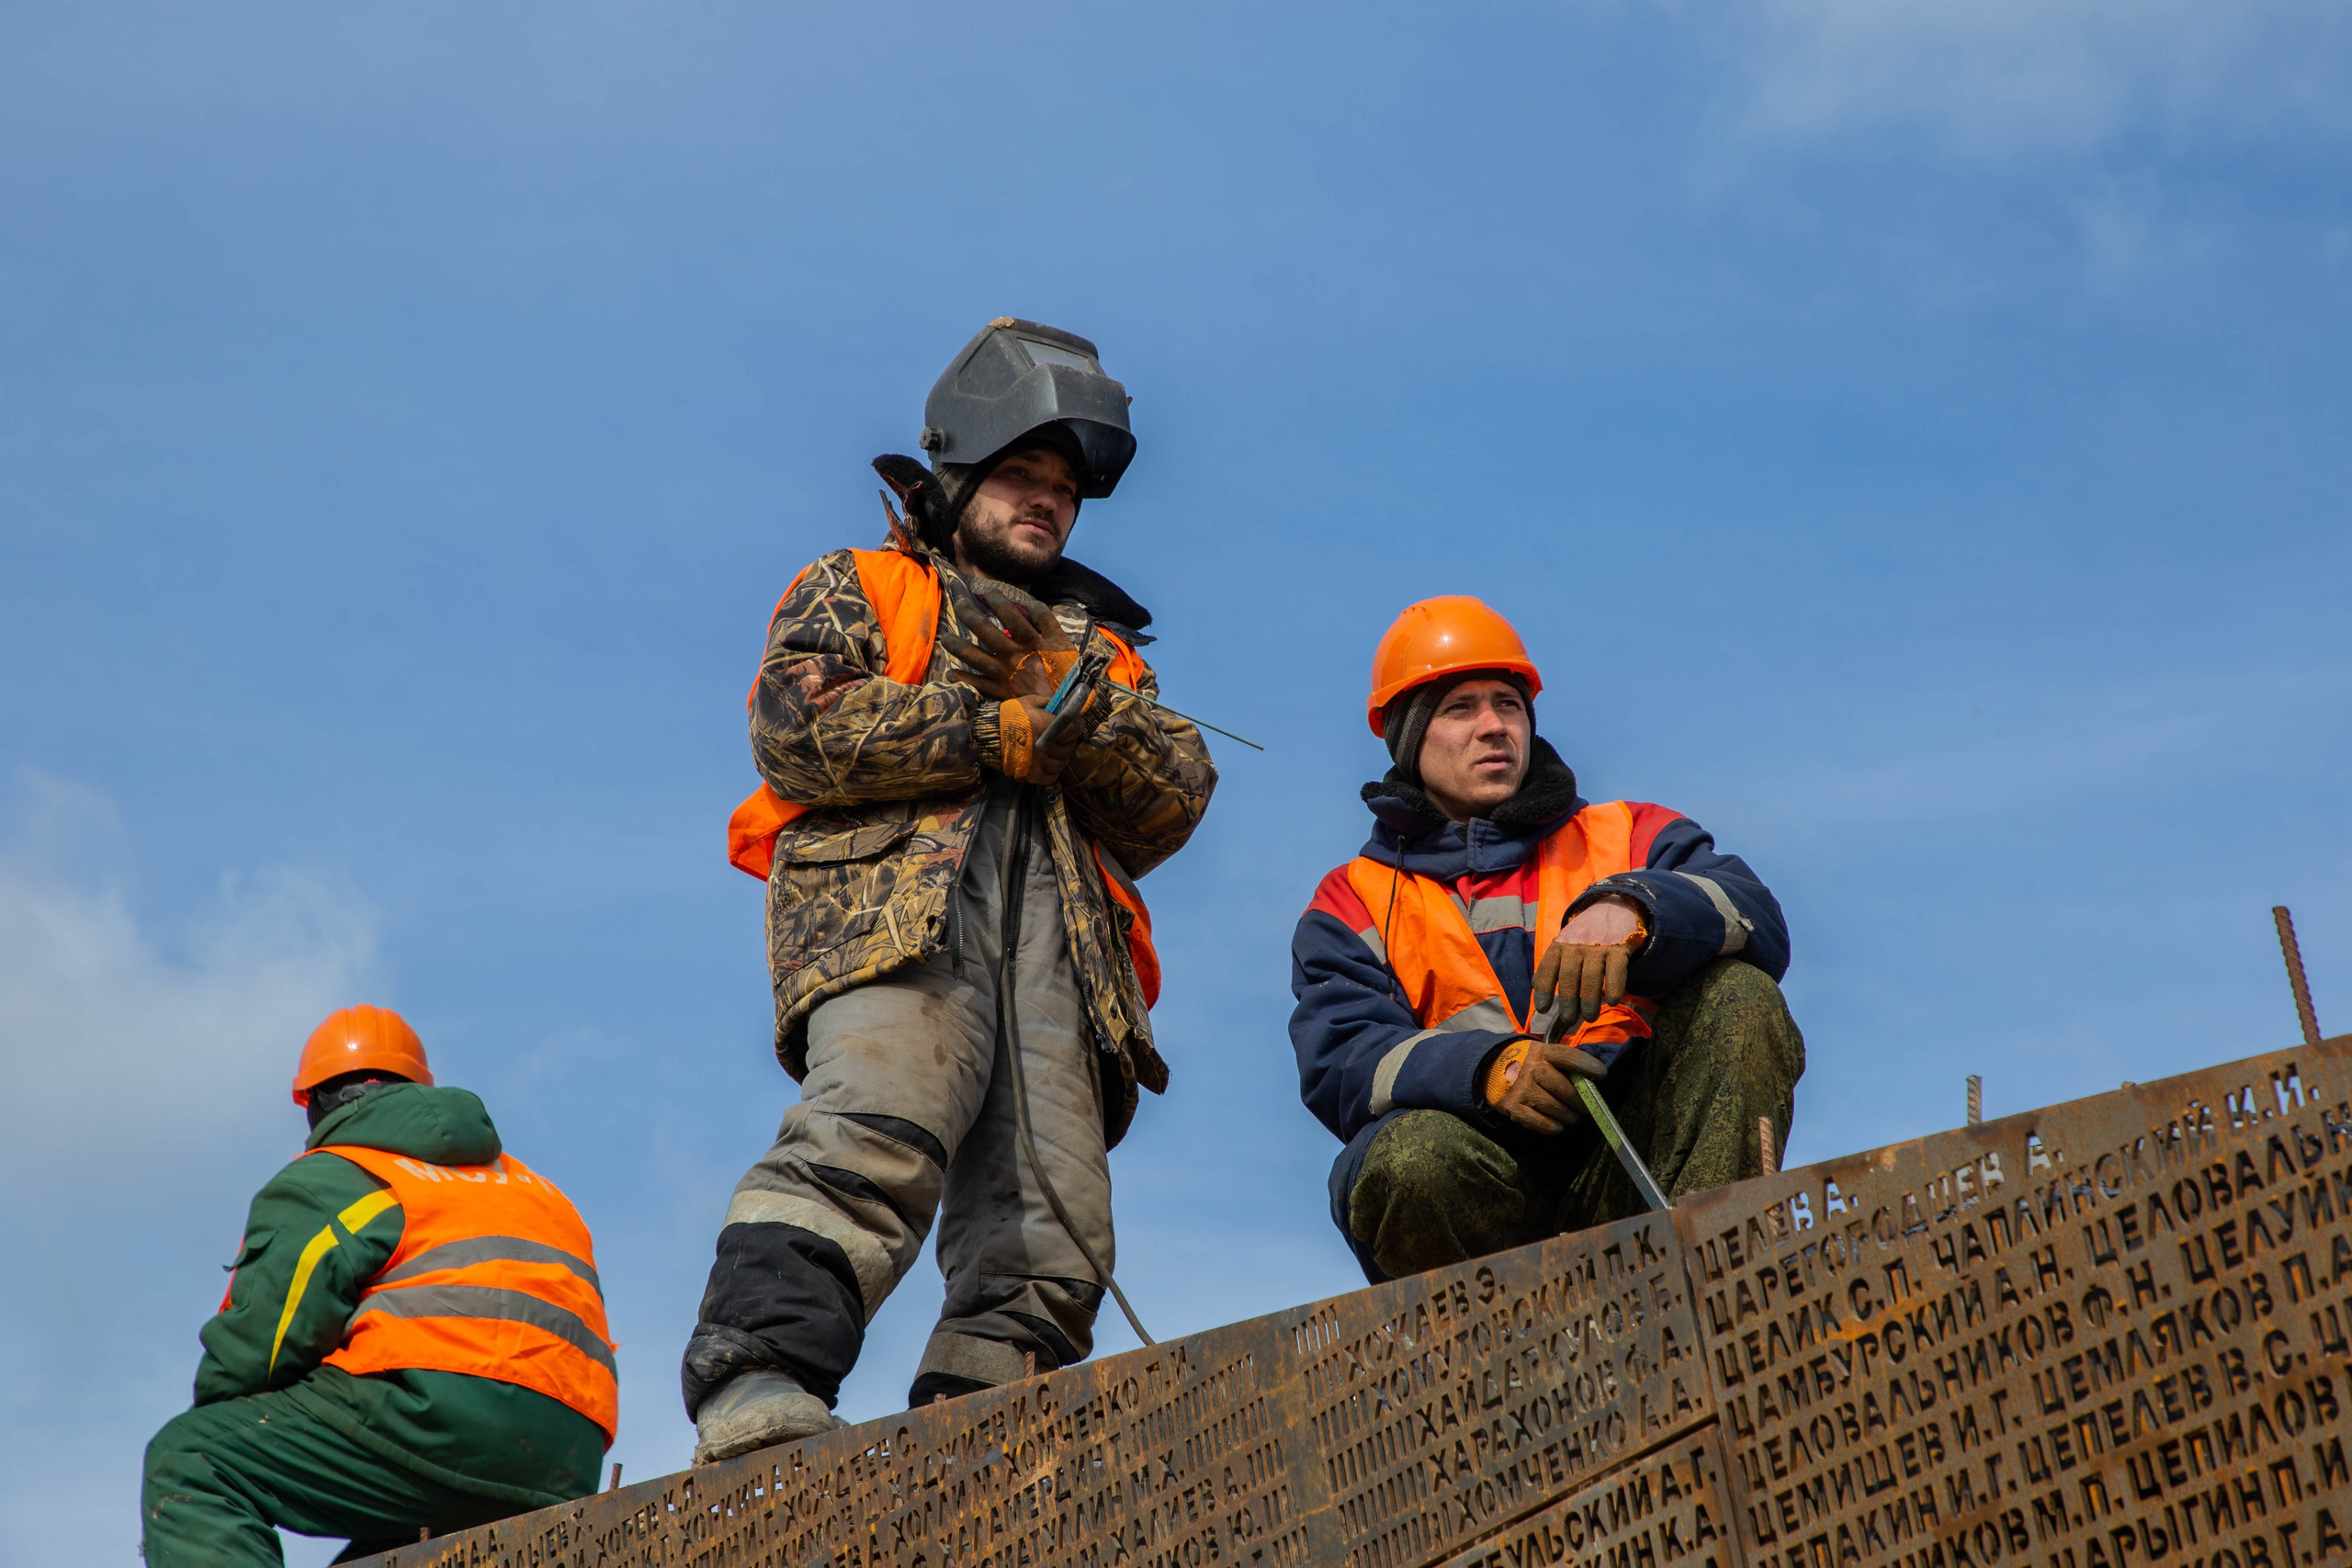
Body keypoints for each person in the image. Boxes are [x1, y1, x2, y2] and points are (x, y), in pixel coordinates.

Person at [685, 318, 1217, 1461]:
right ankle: (757, 1390)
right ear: (960, 473)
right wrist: (991, 729)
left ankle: (978, 1450)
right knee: (868, 1137)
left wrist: (1069, 711)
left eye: (1064, 489)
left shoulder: (1103, 655)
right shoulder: (864, 583)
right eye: (1023, 477)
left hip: (1061, 966)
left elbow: (1174, 799)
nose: (1046, 503)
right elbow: (799, 728)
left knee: (1053, 1225)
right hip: (896, 927)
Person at [1291, 597, 1804, 1283]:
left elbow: (1757, 916)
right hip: (1488, 1204)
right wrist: (1486, 1070)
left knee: (1739, 997)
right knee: (1407, 1157)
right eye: (1460, 708)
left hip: (1642, 1167)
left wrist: (1636, 908)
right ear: (1410, 739)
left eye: (1508, 704)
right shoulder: (1351, 900)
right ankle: (1487, 1370)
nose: (1493, 727)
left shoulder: (1631, 835)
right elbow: (1342, 1060)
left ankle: (1719, 1291)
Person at [141, 1006, 615, 1565]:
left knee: (190, 1458)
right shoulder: (535, 1189)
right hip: (566, 1457)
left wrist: (230, 1421)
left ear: (316, 1103)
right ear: (417, 1090)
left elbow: (267, 1339)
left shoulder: (336, 1174)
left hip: (433, 1417)